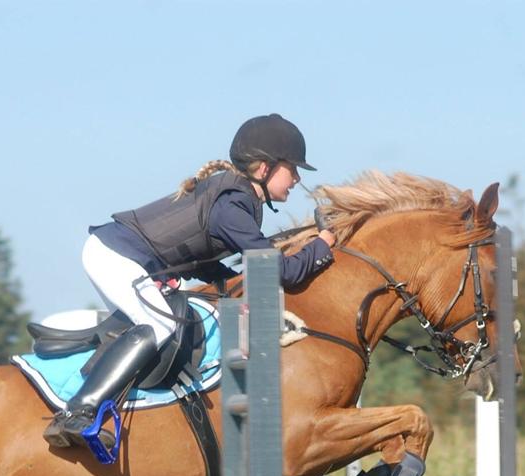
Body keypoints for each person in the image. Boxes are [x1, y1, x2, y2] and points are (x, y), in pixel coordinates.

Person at [43, 114, 337, 449]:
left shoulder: (238, 199)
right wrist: (322, 244)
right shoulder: (233, 206)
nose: (297, 178)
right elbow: (279, 272)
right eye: (292, 167)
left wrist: (230, 285)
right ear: (264, 167)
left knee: (166, 324)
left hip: (124, 257)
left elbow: (205, 264)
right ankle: (77, 413)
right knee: (158, 326)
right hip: (114, 255)